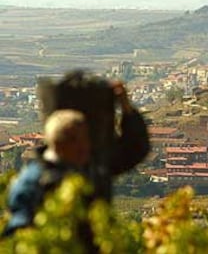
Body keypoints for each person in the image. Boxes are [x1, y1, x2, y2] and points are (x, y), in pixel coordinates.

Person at [2, 81, 149, 241]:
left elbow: (134, 150)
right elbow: (17, 234)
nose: (85, 146)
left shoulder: (92, 168)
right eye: (77, 141)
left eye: (86, 139)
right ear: (59, 142)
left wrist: (126, 107)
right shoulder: (33, 182)